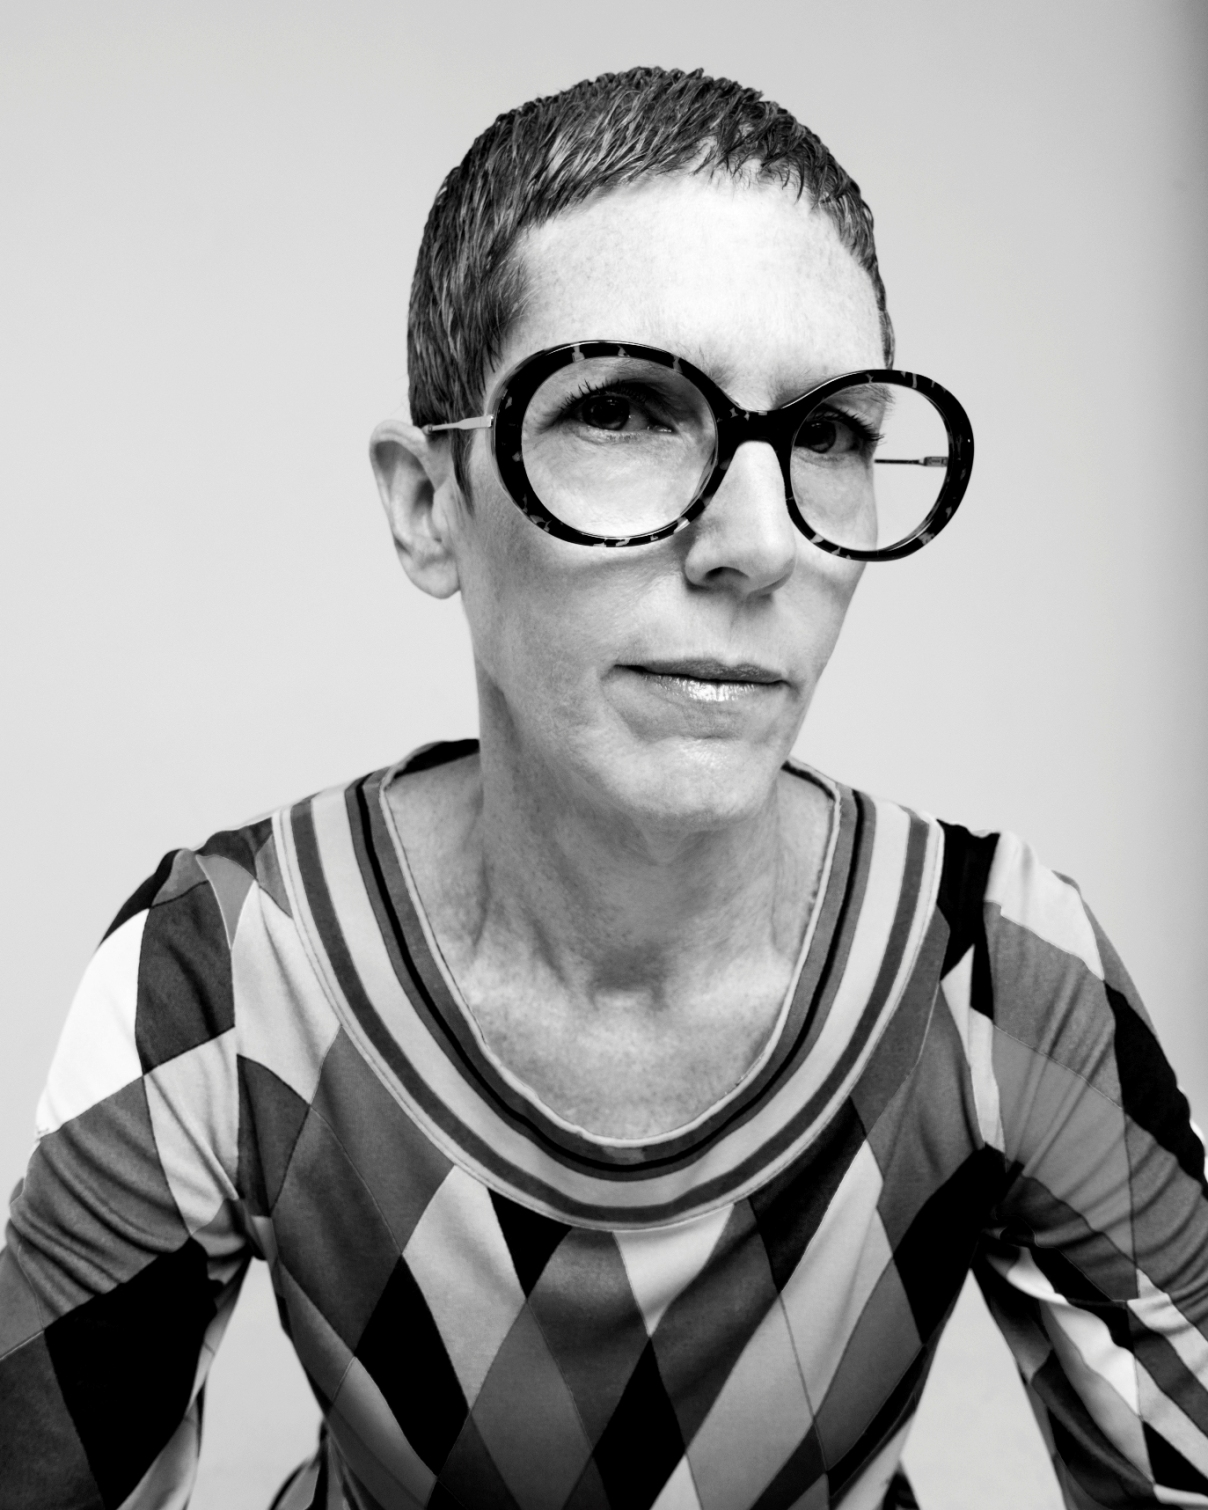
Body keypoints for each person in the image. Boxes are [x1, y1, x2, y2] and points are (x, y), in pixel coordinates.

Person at [1, 64, 1205, 1510]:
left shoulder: (1000, 974)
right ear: (428, 505)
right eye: (627, 409)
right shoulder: (225, 974)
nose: (758, 543)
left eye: (827, 432)